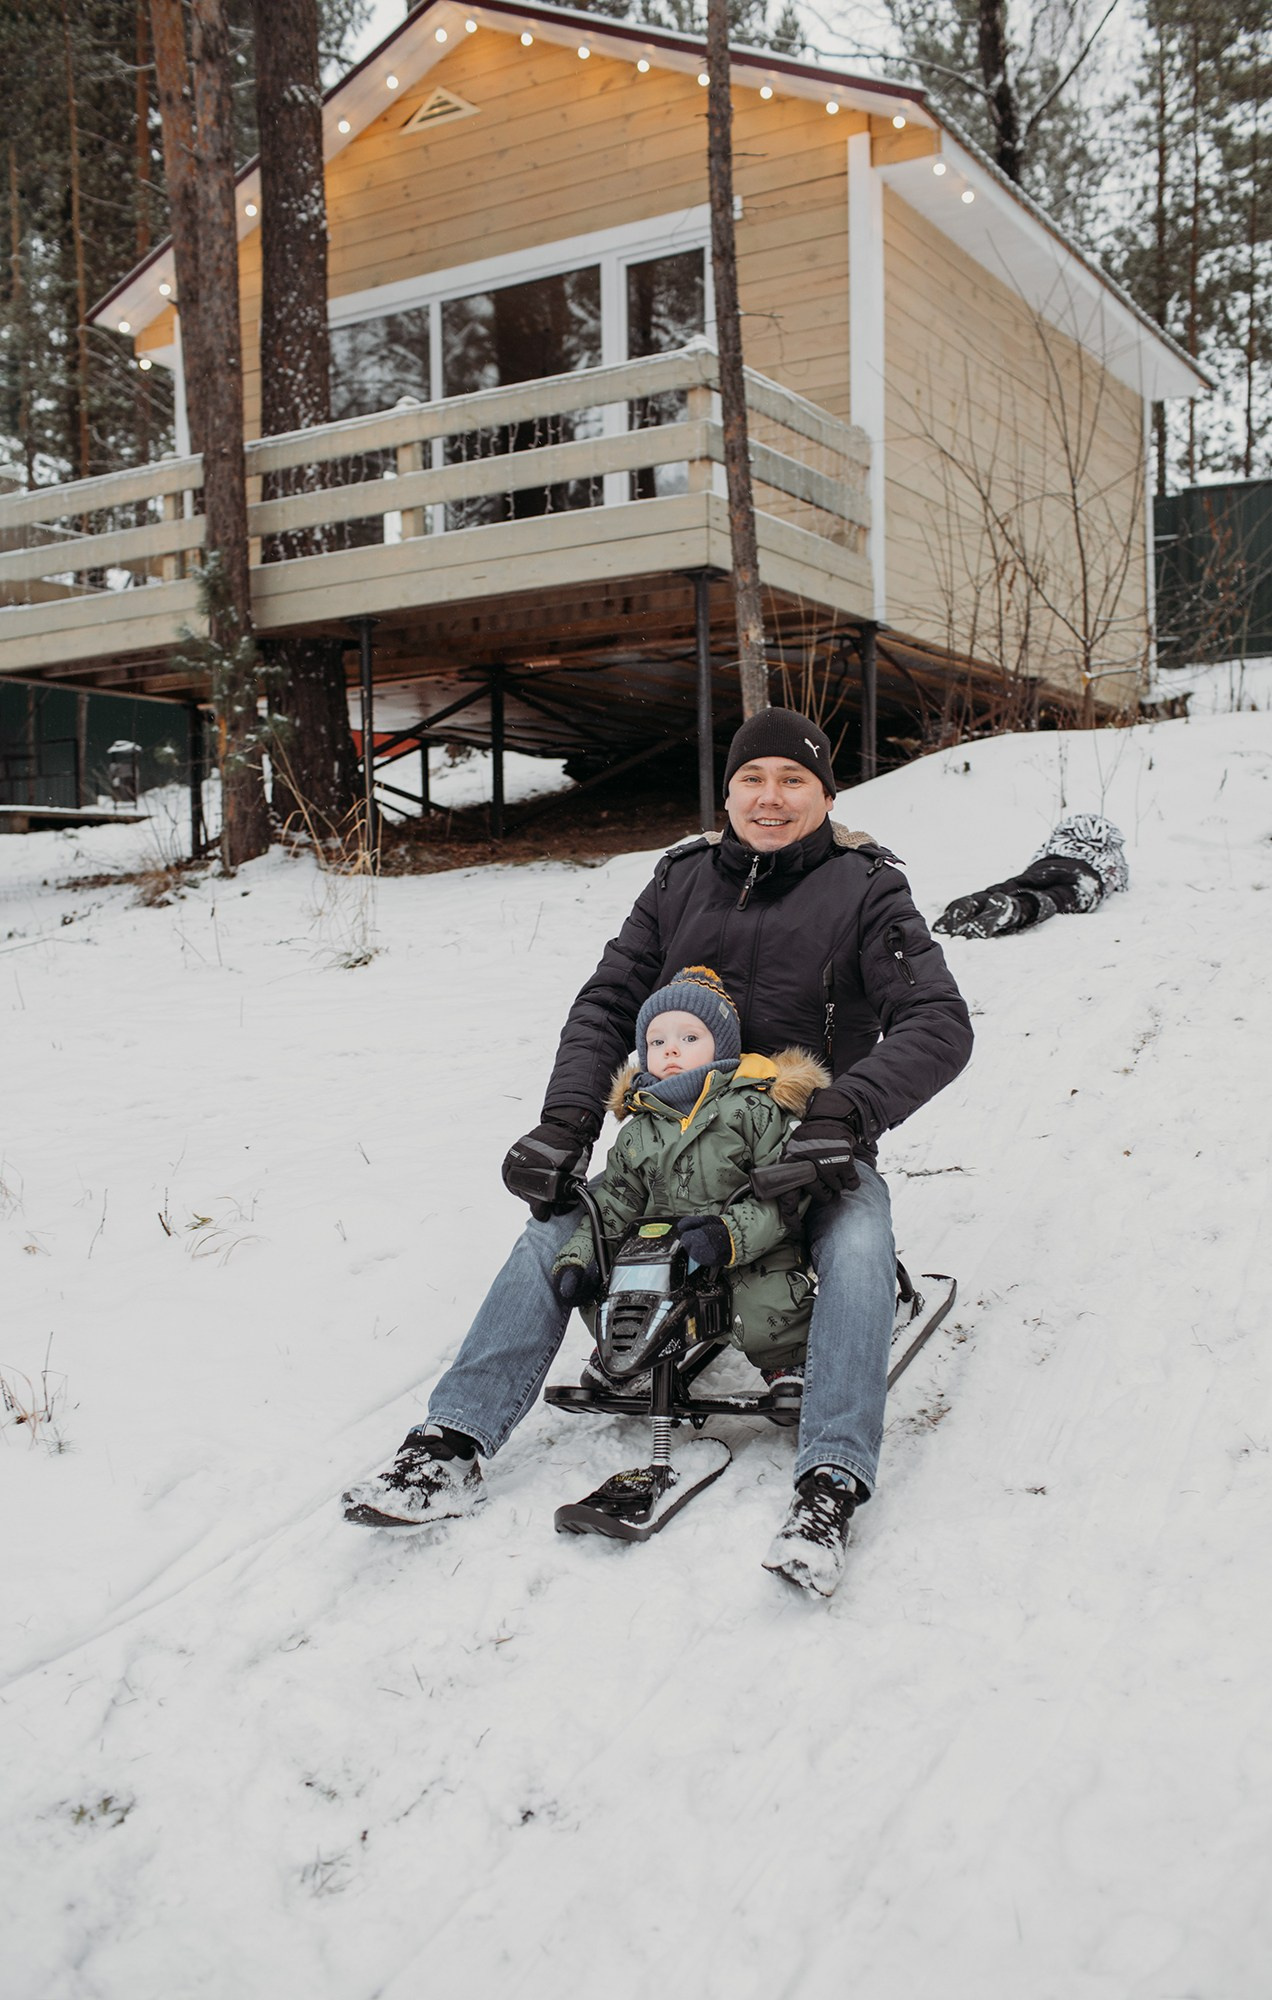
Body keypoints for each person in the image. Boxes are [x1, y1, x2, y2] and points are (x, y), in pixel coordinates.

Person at [343, 707, 974, 1596]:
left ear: (826, 795)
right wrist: (567, 1125)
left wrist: (844, 1115)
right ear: (726, 794)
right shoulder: (679, 881)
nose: (771, 796)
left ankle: (830, 1479)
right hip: (668, 1143)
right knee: (555, 1227)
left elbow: (938, 1021)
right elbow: (608, 1001)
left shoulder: (865, 889)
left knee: (859, 1239)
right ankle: (447, 1444)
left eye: (794, 780)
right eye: (752, 778)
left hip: (804, 1144)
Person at [551, 964, 828, 1390]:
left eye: (689, 1038)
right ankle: (630, 1352)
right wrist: (581, 1259)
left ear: (722, 1046)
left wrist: (730, 1234)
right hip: (669, 1251)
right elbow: (614, 1203)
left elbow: (782, 1194)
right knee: (611, 1293)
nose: (671, 1051)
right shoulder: (639, 1129)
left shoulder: (753, 1110)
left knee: (765, 1309)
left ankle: (786, 1359)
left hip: (745, 1246)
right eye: (657, 1041)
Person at [933, 813, 1129, 939]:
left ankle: (974, 902)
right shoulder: (1110, 846)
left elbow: (1039, 854)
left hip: (1044, 866)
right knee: (1057, 897)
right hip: (1084, 877)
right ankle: (1015, 909)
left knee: (1015, 886)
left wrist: (1033, 871)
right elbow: (1117, 874)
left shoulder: (1061, 835)